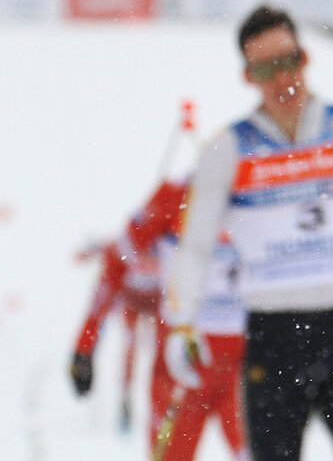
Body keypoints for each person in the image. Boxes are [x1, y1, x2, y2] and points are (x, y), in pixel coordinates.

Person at [164, 5, 333, 461]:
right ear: (248, 75)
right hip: (273, 336)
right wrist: (182, 322)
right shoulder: (228, 148)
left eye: (290, 61)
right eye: (266, 68)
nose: (283, 78)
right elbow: (197, 248)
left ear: (306, 58)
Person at [128, 179, 249, 461]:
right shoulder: (173, 195)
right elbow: (123, 253)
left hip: (241, 361)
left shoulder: (255, 190)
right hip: (183, 358)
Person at [69, 228, 162, 432]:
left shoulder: (167, 246)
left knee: (164, 345)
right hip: (133, 301)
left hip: (160, 301)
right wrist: (82, 354)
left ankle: (164, 401)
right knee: (131, 341)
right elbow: (96, 313)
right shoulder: (119, 255)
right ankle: (127, 396)